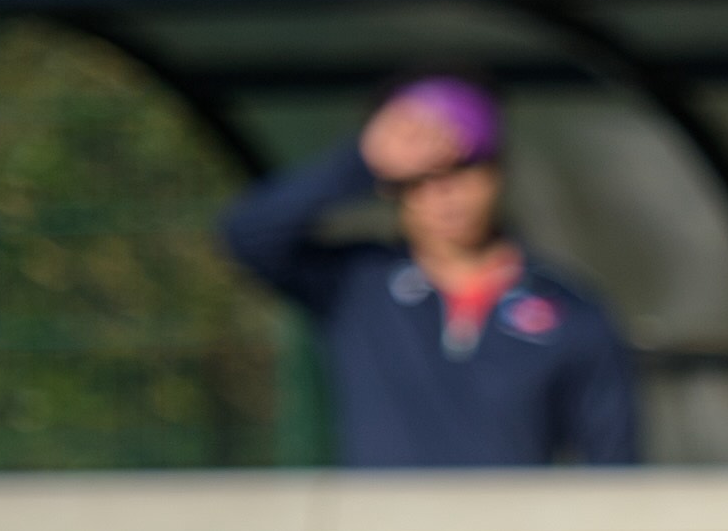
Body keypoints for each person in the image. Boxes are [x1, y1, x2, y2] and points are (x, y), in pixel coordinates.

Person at [217, 73, 640, 469]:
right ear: (393, 189)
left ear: (497, 172)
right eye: (419, 179)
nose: (443, 194)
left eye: (462, 169)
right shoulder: (357, 285)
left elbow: (616, 468)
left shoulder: (570, 310)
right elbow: (247, 235)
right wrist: (363, 161)